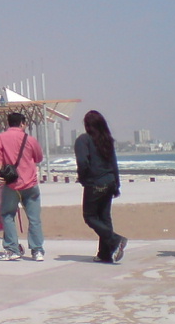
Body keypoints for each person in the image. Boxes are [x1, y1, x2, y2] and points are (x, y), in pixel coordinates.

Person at [74, 110, 128, 264]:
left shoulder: (83, 140)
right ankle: (105, 253)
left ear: (87, 125)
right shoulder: (107, 140)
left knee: (90, 217)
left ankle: (115, 239)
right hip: (109, 181)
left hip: (95, 183)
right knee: (104, 217)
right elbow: (113, 164)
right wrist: (117, 184)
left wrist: (83, 178)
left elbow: (83, 162)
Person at [0, 112, 45, 262]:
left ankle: (12, 249)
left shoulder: (0, 138)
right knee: (34, 218)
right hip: (30, 183)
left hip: (10, 183)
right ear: (22, 123)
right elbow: (39, 157)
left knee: (8, 215)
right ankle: (37, 250)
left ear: (8, 123)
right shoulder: (30, 139)